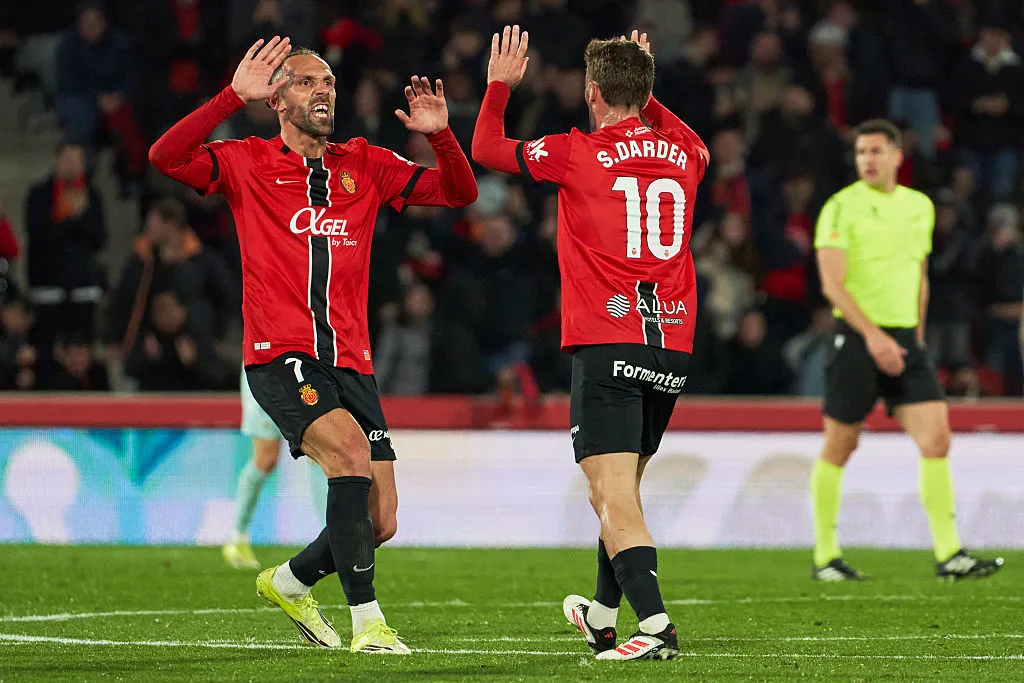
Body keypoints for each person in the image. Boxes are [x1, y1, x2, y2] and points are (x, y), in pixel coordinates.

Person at [150, 36, 477, 652]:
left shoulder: (367, 164)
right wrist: (227, 99)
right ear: (275, 98)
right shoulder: (246, 160)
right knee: (350, 457)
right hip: (281, 354)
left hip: (351, 360)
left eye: (327, 82)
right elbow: (164, 155)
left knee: (382, 520)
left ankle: (292, 580)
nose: (323, 91)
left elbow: (458, 194)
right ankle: (368, 625)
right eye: (306, 82)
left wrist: (440, 136)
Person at [473, 28, 709, 661]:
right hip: (671, 347)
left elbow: (487, 148)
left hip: (608, 339)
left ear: (592, 91)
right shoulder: (686, 153)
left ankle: (656, 629)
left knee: (614, 495)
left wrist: (500, 85)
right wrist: (647, 89)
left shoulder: (578, 151)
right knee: (617, 488)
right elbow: (686, 137)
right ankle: (603, 615)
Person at [811, 119, 1004, 582]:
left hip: (904, 340)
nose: (868, 160)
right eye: (861, 153)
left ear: (899, 156)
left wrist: (914, 337)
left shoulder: (919, 207)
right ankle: (826, 556)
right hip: (856, 339)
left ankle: (950, 553)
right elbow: (832, 286)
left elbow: (919, 273)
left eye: (876, 151)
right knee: (841, 445)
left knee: (937, 439)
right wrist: (876, 339)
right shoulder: (839, 207)